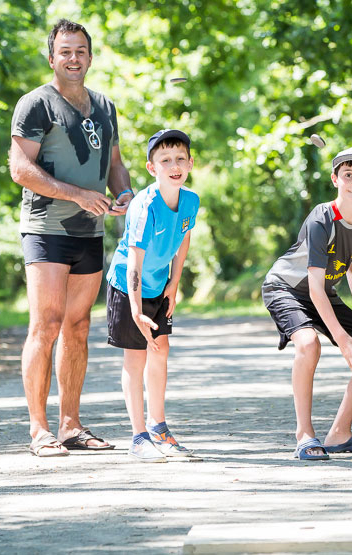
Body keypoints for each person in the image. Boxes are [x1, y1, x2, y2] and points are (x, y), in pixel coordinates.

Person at [9, 19, 134, 457]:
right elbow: (20, 169)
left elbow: (115, 162)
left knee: (78, 327)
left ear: (90, 57)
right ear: (52, 57)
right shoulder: (35, 105)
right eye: (65, 51)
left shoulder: (104, 107)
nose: (73, 58)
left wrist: (124, 193)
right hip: (46, 230)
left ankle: (70, 426)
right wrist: (77, 194)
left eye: (80, 51)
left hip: (91, 231)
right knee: (45, 325)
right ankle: (39, 430)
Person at [262, 147, 352, 461]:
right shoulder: (322, 218)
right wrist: (343, 339)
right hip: (287, 288)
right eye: (348, 175)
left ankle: (340, 434)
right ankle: (304, 434)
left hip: (322, 293)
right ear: (335, 179)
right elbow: (316, 287)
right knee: (309, 344)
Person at [106, 129, 199, 463]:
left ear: (190, 163)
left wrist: (174, 284)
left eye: (179, 159)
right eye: (165, 160)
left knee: (160, 349)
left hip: (159, 285)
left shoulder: (190, 200)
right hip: (127, 285)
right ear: (151, 167)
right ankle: (138, 436)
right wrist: (134, 309)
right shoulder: (144, 207)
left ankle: (160, 428)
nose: (173, 165)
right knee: (137, 354)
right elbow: (134, 261)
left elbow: (184, 237)